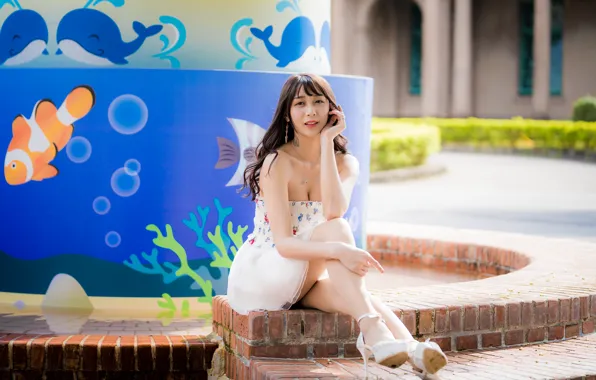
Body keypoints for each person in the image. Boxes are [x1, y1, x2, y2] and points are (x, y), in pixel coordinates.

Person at [226, 73, 447, 377]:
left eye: (318, 102)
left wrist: (327, 143)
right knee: (339, 235)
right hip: (265, 272)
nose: (310, 112)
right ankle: (377, 333)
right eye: (300, 103)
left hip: (303, 279)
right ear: (288, 114)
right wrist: (340, 250)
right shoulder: (277, 162)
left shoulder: (346, 163)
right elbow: (285, 244)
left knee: (354, 295)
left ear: (332, 109)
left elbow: (332, 210)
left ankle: (408, 348)